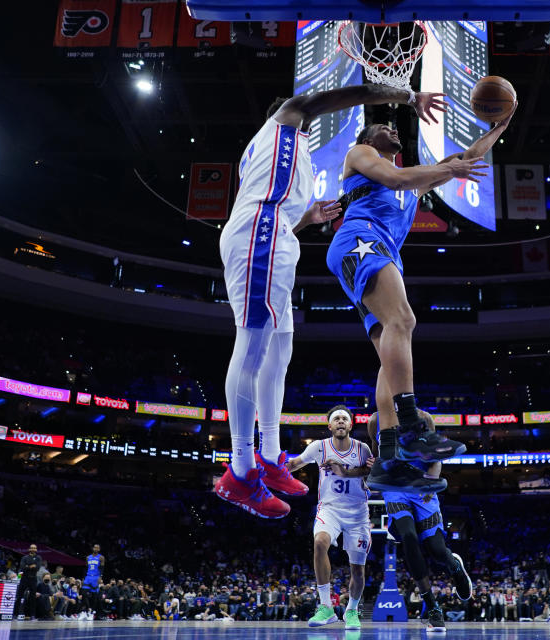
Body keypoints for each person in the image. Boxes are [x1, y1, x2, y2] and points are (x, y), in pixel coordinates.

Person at [214, 83, 449, 519]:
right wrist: (403, 95)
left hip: (278, 235)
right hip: (259, 235)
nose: (312, 121)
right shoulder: (285, 121)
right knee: (251, 346)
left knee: (279, 350)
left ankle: (268, 456)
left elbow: (281, 210)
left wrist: (305, 220)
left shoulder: (284, 156)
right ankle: (241, 471)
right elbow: (321, 100)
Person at [325, 105, 515, 494]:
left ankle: (389, 460)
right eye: (383, 125)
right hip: (359, 240)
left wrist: (501, 125)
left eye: (394, 127)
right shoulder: (360, 155)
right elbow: (394, 178)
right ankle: (412, 426)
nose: (392, 129)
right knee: (404, 322)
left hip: (377, 249)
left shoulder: (416, 182)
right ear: (367, 138)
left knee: (388, 357)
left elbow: (467, 159)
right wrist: (449, 171)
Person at [366, 410, 474, 633]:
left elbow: (436, 457)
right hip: (395, 489)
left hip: (422, 487)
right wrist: (374, 465)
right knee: (408, 536)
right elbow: (379, 455)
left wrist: (431, 482)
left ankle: (455, 566)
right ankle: (433, 607)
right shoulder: (376, 420)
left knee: (436, 550)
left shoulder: (423, 418)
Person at [284, 405, 372, 628]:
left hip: (358, 512)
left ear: (351, 425)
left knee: (358, 569)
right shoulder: (318, 447)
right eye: (337, 419)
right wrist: (271, 469)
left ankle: (351, 610)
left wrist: (348, 470)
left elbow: (370, 473)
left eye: (345, 418)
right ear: (330, 425)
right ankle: (325, 607)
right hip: (329, 508)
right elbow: (294, 464)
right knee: (320, 542)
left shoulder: (363, 449)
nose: (341, 421)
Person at [16, 544, 43, 619]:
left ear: (36, 550)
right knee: (19, 596)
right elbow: (22, 567)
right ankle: (15, 613)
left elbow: (37, 567)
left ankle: (32, 615)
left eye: (34, 548)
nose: (33, 549)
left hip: (33, 579)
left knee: (32, 598)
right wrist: (31, 566)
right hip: (24, 578)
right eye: (32, 548)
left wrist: (27, 566)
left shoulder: (38, 558)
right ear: (29, 549)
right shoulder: (24, 557)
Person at [82, 543, 104, 619]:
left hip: (96, 577)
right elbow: (86, 568)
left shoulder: (101, 557)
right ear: (93, 548)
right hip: (88, 577)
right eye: (95, 547)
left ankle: (91, 613)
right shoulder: (88, 557)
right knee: (84, 593)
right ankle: (88, 609)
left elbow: (102, 568)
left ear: (99, 549)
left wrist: (100, 577)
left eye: (97, 548)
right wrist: (84, 577)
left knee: (94, 596)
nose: (96, 549)